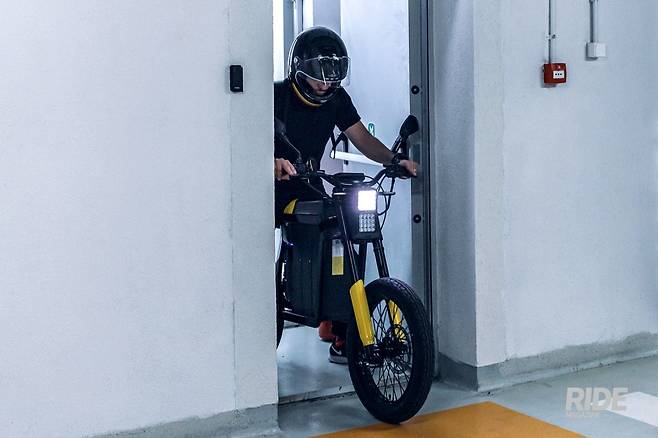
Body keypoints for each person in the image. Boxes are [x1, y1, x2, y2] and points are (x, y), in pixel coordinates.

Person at [274, 26, 417, 364]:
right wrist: (272, 160)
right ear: (300, 70)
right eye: (319, 77)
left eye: (332, 77)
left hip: (308, 183)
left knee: (342, 235)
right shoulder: (277, 96)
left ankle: (339, 330)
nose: (325, 85)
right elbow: (255, 136)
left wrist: (394, 161)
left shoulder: (337, 99)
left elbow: (360, 137)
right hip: (273, 185)